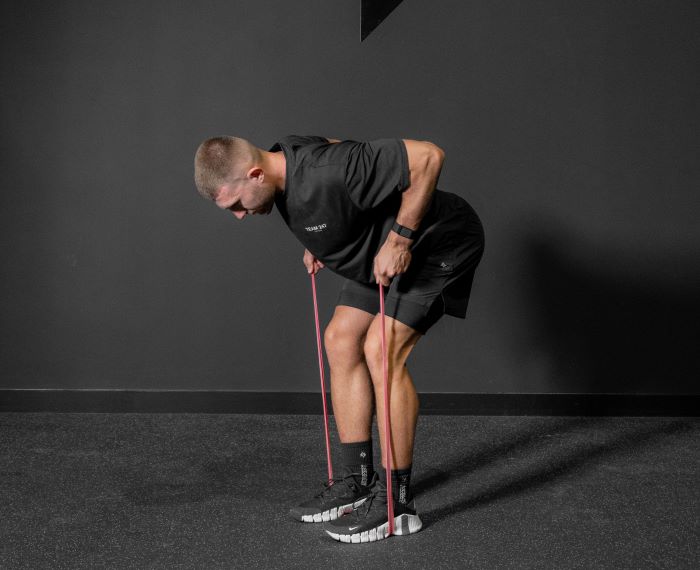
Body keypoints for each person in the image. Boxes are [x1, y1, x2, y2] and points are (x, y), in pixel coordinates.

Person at [193, 135, 484, 543]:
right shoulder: (286, 162)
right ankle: (357, 481)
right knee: (340, 339)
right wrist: (328, 245)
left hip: (437, 242)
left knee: (380, 349)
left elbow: (430, 155)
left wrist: (400, 239)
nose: (240, 216)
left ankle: (397, 505)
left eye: (237, 204)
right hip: (376, 252)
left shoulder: (331, 170)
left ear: (255, 173)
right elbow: (335, 149)